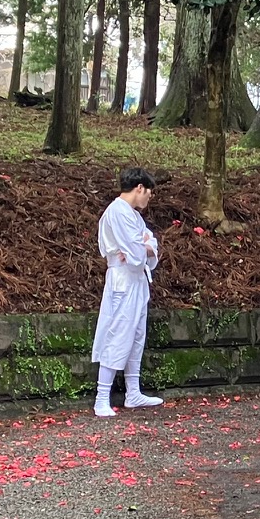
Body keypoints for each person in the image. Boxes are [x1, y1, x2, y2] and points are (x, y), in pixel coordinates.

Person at [92, 167, 163, 416]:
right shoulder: (118, 212)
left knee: (136, 335)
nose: (149, 198)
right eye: (149, 193)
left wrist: (144, 247)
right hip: (123, 279)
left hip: (136, 279)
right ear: (139, 188)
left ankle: (133, 392)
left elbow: (148, 243)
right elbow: (136, 249)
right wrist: (142, 247)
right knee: (118, 333)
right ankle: (102, 397)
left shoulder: (132, 215)